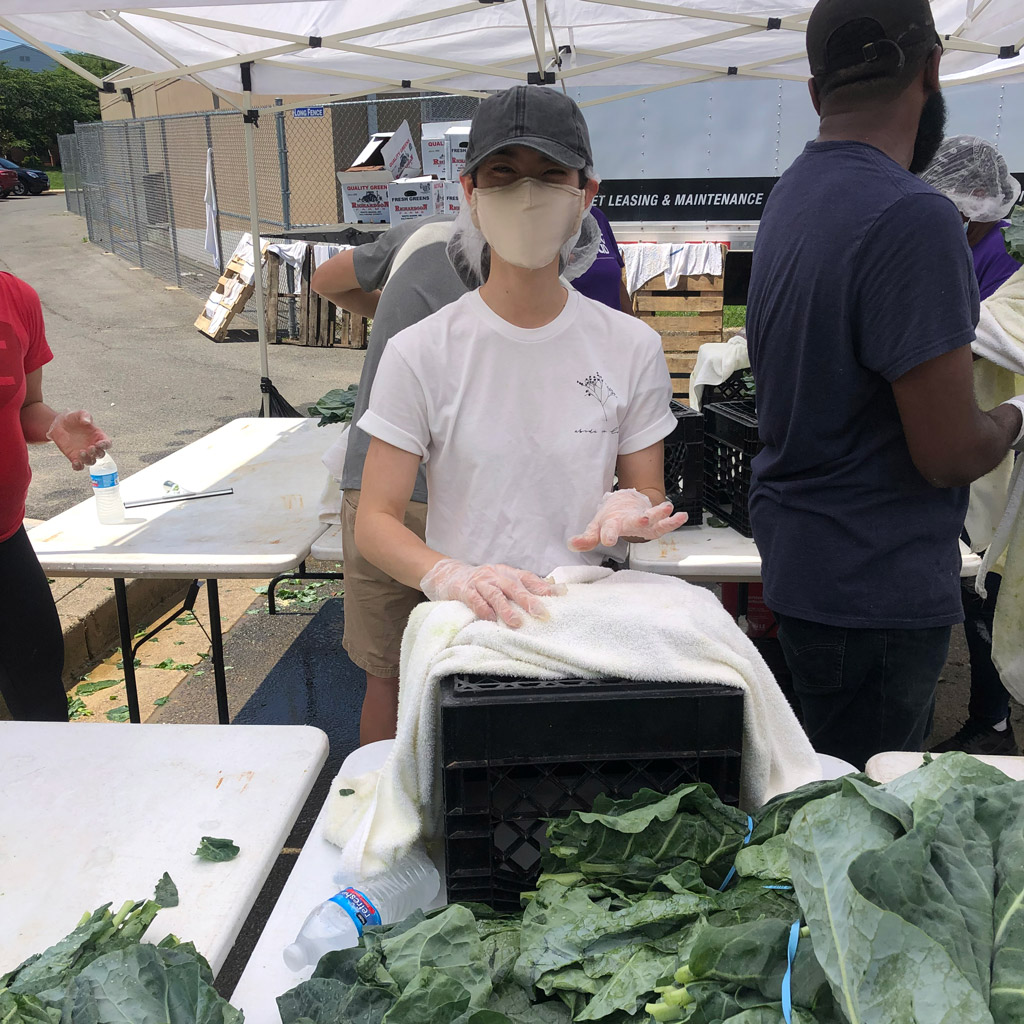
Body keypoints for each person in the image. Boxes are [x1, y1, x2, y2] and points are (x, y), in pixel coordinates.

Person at [746, 0, 1024, 769]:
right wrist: (1015, 416)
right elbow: (947, 454)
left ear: (814, 91)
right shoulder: (915, 216)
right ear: (932, 70)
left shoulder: (793, 193)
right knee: (860, 829)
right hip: (875, 587)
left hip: (806, 566)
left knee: (817, 792)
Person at [353, 85, 685, 648]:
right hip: (471, 627)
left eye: (551, 173)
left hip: (588, 617)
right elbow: (376, 519)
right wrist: (451, 575)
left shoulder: (632, 347)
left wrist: (636, 507)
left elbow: (646, 487)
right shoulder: (420, 351)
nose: (527, 194)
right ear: (470, 192)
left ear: (586, 195)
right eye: (503, 172)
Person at [919, 135, 1023, 755]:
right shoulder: (969, 246)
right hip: (980, 445)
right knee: (980, 586)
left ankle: (993, 720)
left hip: (1000, 448)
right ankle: (992, 712)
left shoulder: (1004, 260)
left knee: (990, 587)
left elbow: (988, 333)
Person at [1, 272, 111, 721]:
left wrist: (54, 425)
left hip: (6, 537)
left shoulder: (15, 296)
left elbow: (26, 405)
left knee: (40, 690)